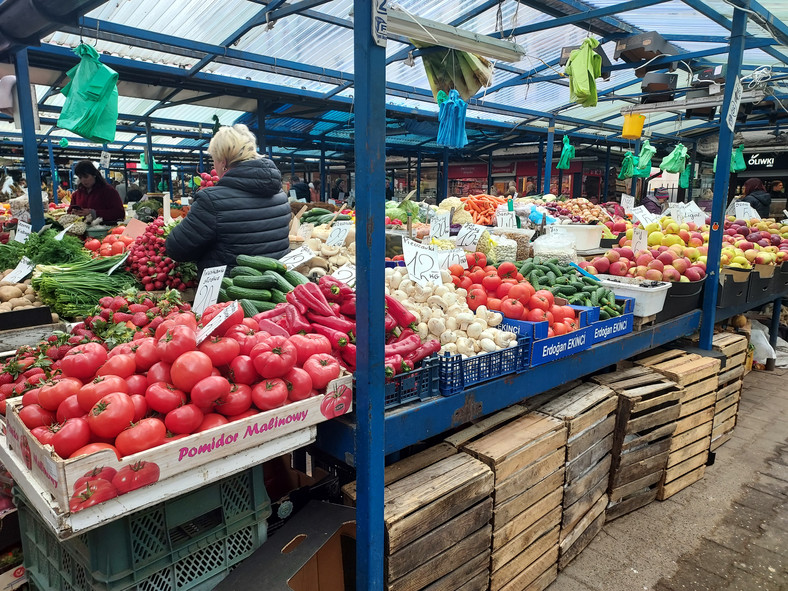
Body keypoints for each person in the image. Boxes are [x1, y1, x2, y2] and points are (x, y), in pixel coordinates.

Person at [165, 124, 290, 273]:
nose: (213, 164)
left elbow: (177, 249)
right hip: (276, 286)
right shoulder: (280, 196)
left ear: (223, 162)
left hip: (230, 290)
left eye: (214, 159)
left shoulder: (212, 201)